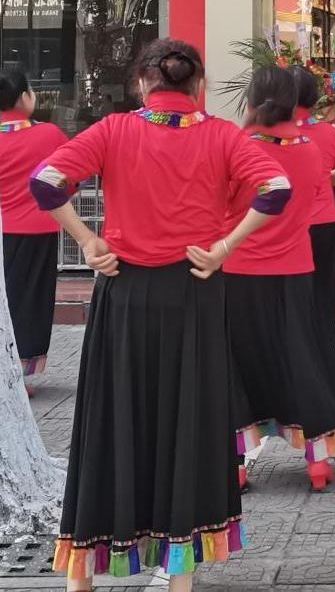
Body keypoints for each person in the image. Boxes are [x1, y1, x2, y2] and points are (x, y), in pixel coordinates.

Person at [30, 39, 292, 590]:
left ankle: (84, 575)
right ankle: (179, 578)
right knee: (188, 421)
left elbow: (46, 183)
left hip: (123, 293)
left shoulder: (113, 130)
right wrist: (225, 246)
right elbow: (276, 188)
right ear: (198, 85)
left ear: (144, 84)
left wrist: (87, 240)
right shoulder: (223, 136)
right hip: (193, 294)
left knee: (111, 419)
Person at [226, 67, 335, 493]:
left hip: (239, 271)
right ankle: (316, 459)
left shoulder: (237, 147)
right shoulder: (309, 148)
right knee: (302, 358)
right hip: (295, 267)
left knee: (236, 367)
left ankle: (236, 463)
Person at [0, 66, 67, 392]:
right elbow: (69, 179)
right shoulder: (49, 136)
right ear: (25, 96)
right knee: (28, 302)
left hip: (4, 229)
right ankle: (19, 373)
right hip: (36, 232)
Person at [289, 65, 335, 344]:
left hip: (284, 225)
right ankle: (322, 351)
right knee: (321, 296)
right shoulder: (329, 133)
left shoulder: (262, 134)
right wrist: (324, 178)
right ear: (314, 98)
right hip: (322, 223)